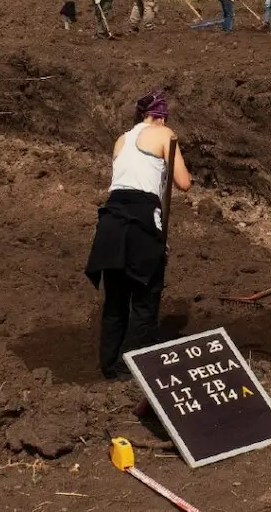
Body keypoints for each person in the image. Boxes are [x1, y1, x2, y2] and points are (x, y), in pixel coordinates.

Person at [84, 89, 192, 379]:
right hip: (140, 221)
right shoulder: (165, 135)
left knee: (116, 299)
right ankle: (133, 368)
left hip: (110, 220)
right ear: (159, 117)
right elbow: (184, 182)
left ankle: (110, 366)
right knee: (145, 297)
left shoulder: (121, 140)